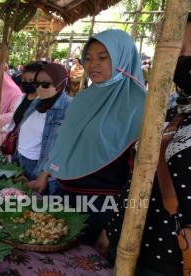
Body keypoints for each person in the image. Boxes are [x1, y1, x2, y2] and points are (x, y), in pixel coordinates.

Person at [28, 29, 146, 244]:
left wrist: (114, 226)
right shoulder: (83, 98)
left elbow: (142, 172)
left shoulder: (142, 105)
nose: (93, 64)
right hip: (65, 195)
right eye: (88, 58)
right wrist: (43, 176)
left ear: (123, 56)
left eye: (103, 57)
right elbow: (65, 140)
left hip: (105, 205)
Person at [102, 13, 191, 276]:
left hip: (176, 259)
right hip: (134, 249)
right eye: (180, 52)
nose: (182, 59)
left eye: (186, 51)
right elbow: (138, 180)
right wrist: (113, 230)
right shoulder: (169, 109)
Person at [13, 62, 71, 195]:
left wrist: (44, 176)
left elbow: (63, 148)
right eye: (36, 84)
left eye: (45, 84)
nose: (39, 88)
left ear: (60, 83)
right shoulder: (37, 102)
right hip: (23, 162)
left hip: (43, 170)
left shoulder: (69, 107)